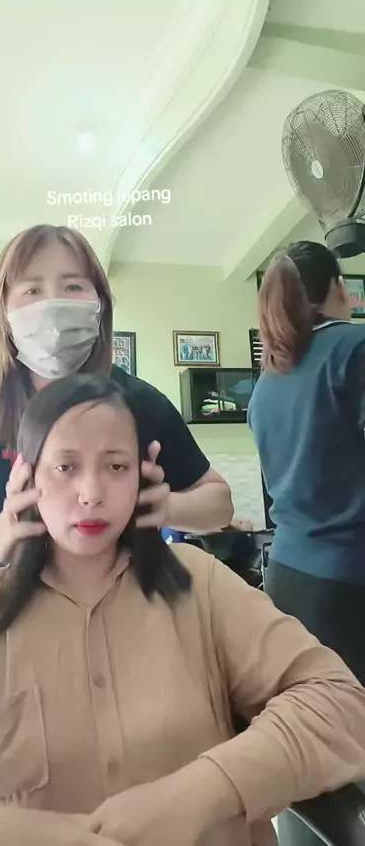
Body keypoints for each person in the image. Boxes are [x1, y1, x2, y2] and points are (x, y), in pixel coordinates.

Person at [0, 374, 365, 846]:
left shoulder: (201, 584)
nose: (91, 493)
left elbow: (340, 702)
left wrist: (206, 791)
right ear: (26, 478)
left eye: (116, 466)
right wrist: (23, 834)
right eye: (65, 467)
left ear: (144, 474)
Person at [0, 224, 232, 577]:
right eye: (32, 289)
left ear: (100, 304)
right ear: (3, 311)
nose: (51, 306)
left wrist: (168, 507)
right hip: (18, 601)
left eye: (73, 286)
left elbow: (220, 504)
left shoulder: (141, 401)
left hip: (130, 597)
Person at [248, 240, 365, 846]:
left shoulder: (268, 384)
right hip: (350, 583)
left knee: (310, 731)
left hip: (288, 581)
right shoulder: (354, 349)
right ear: (338, 288)